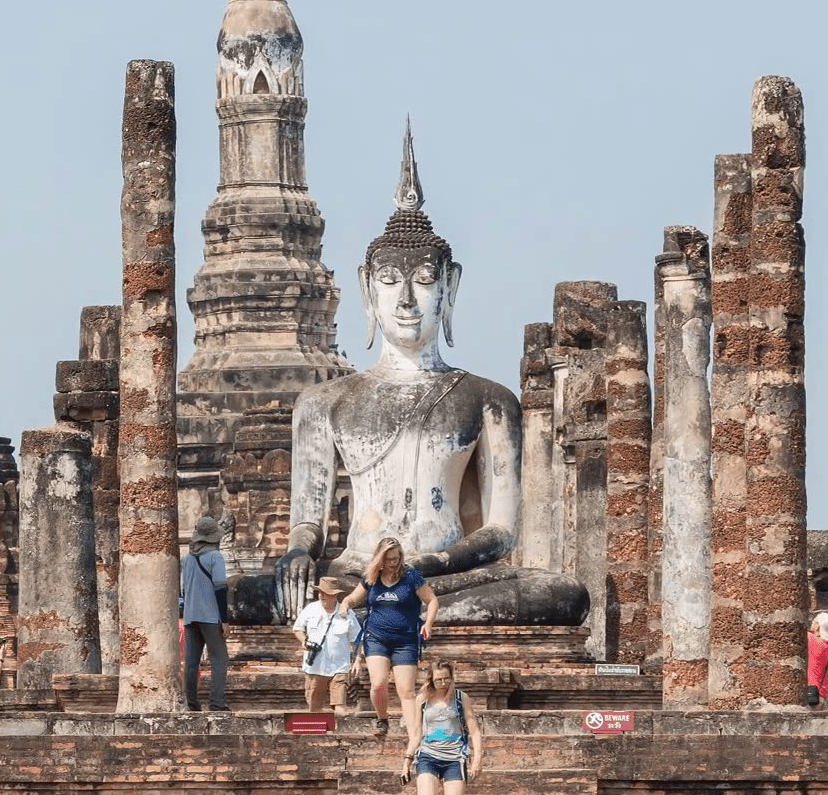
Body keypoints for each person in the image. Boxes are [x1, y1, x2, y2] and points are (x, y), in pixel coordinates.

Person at [250, 126, 588, 629]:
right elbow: (308, 522)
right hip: (353, 574)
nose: (406, 300)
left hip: (446, 576)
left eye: (424, 281)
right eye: (389, 282)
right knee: (245, 594)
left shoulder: (488, 400)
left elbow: (500, 530)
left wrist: (428, 566)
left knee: (560, 595)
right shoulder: (325, 402)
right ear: (367, 289)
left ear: (449, 287)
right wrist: (297, 554)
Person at [335, 536, 436, 735]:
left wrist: (429, 623)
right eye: (388, 559)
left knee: (406, 690)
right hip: (377, 638)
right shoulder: (371, 578)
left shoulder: (411, 576)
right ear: (380, 559)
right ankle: (382, 718)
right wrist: (345, 605)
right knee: (379, 683)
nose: (393, 563)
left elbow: (432, 600)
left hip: (405, 640)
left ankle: (414, 736)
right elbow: (353, 598)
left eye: (396, 558)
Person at [405, 659, 482, 795]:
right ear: (431, 678)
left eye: (447, 678)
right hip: (428, 755)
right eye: (439, 679)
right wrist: (407, 759)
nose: (443, 683)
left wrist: (477, 758)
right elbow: (415, 733)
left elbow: (473, 729)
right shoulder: (422, 699)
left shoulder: (460, 698)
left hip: (455, 758)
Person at [180, 515, 231, 711]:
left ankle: (192, 703)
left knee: (192, 663)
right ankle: (217, 702)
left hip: (191, 616)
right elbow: (220, 589)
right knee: (220, 660)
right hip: (210, 616)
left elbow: (184, 591)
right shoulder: (215, 557)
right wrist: (224, 620)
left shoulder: (188, 559)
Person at [292, 575, 355, 713]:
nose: (322, 596)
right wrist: (304, 641)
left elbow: (356, 638)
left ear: (335, 596)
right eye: (320, 593)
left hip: (339, 667)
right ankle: (320, 733)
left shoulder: (347, 613)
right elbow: (297, 629)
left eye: (326, 593)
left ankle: (340, 733)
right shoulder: (311, 609)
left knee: (340, 707)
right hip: (316, 667)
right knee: (315, 708)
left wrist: (358, 661)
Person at [807, 612, 828, 709]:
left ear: (817, 627)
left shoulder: (811, 640)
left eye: (814, 621)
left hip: (811, 695)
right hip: (824, 696)